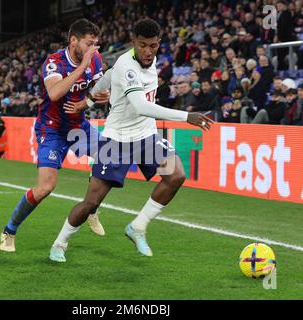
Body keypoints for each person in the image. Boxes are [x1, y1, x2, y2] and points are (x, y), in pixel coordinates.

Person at [49, 18, 213, 263]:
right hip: (117, 141)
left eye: (153, 46)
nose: (148, 51)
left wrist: (89, 101)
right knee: (91, 202)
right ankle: (60, 243)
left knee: (176, 174)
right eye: (143, 45)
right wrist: (186, 116)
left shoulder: (147, 60)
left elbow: (108, 77)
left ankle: (138, 227)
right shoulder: (127, 65)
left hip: (146, 137)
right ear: (133, 42)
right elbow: (140, 105)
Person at [0, 19, 110, 252]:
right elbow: (55, 93)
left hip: (78, 125)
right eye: (89, 43)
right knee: (45, 187)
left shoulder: (95, 59)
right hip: (52, 129)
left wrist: (102, 94)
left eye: (95, 44)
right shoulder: (54, 62)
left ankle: (91, 208)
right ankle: (9, 231)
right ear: (73, 41)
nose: (93, 49)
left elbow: (98, 86)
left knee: (109, 158)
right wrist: (82, 66)